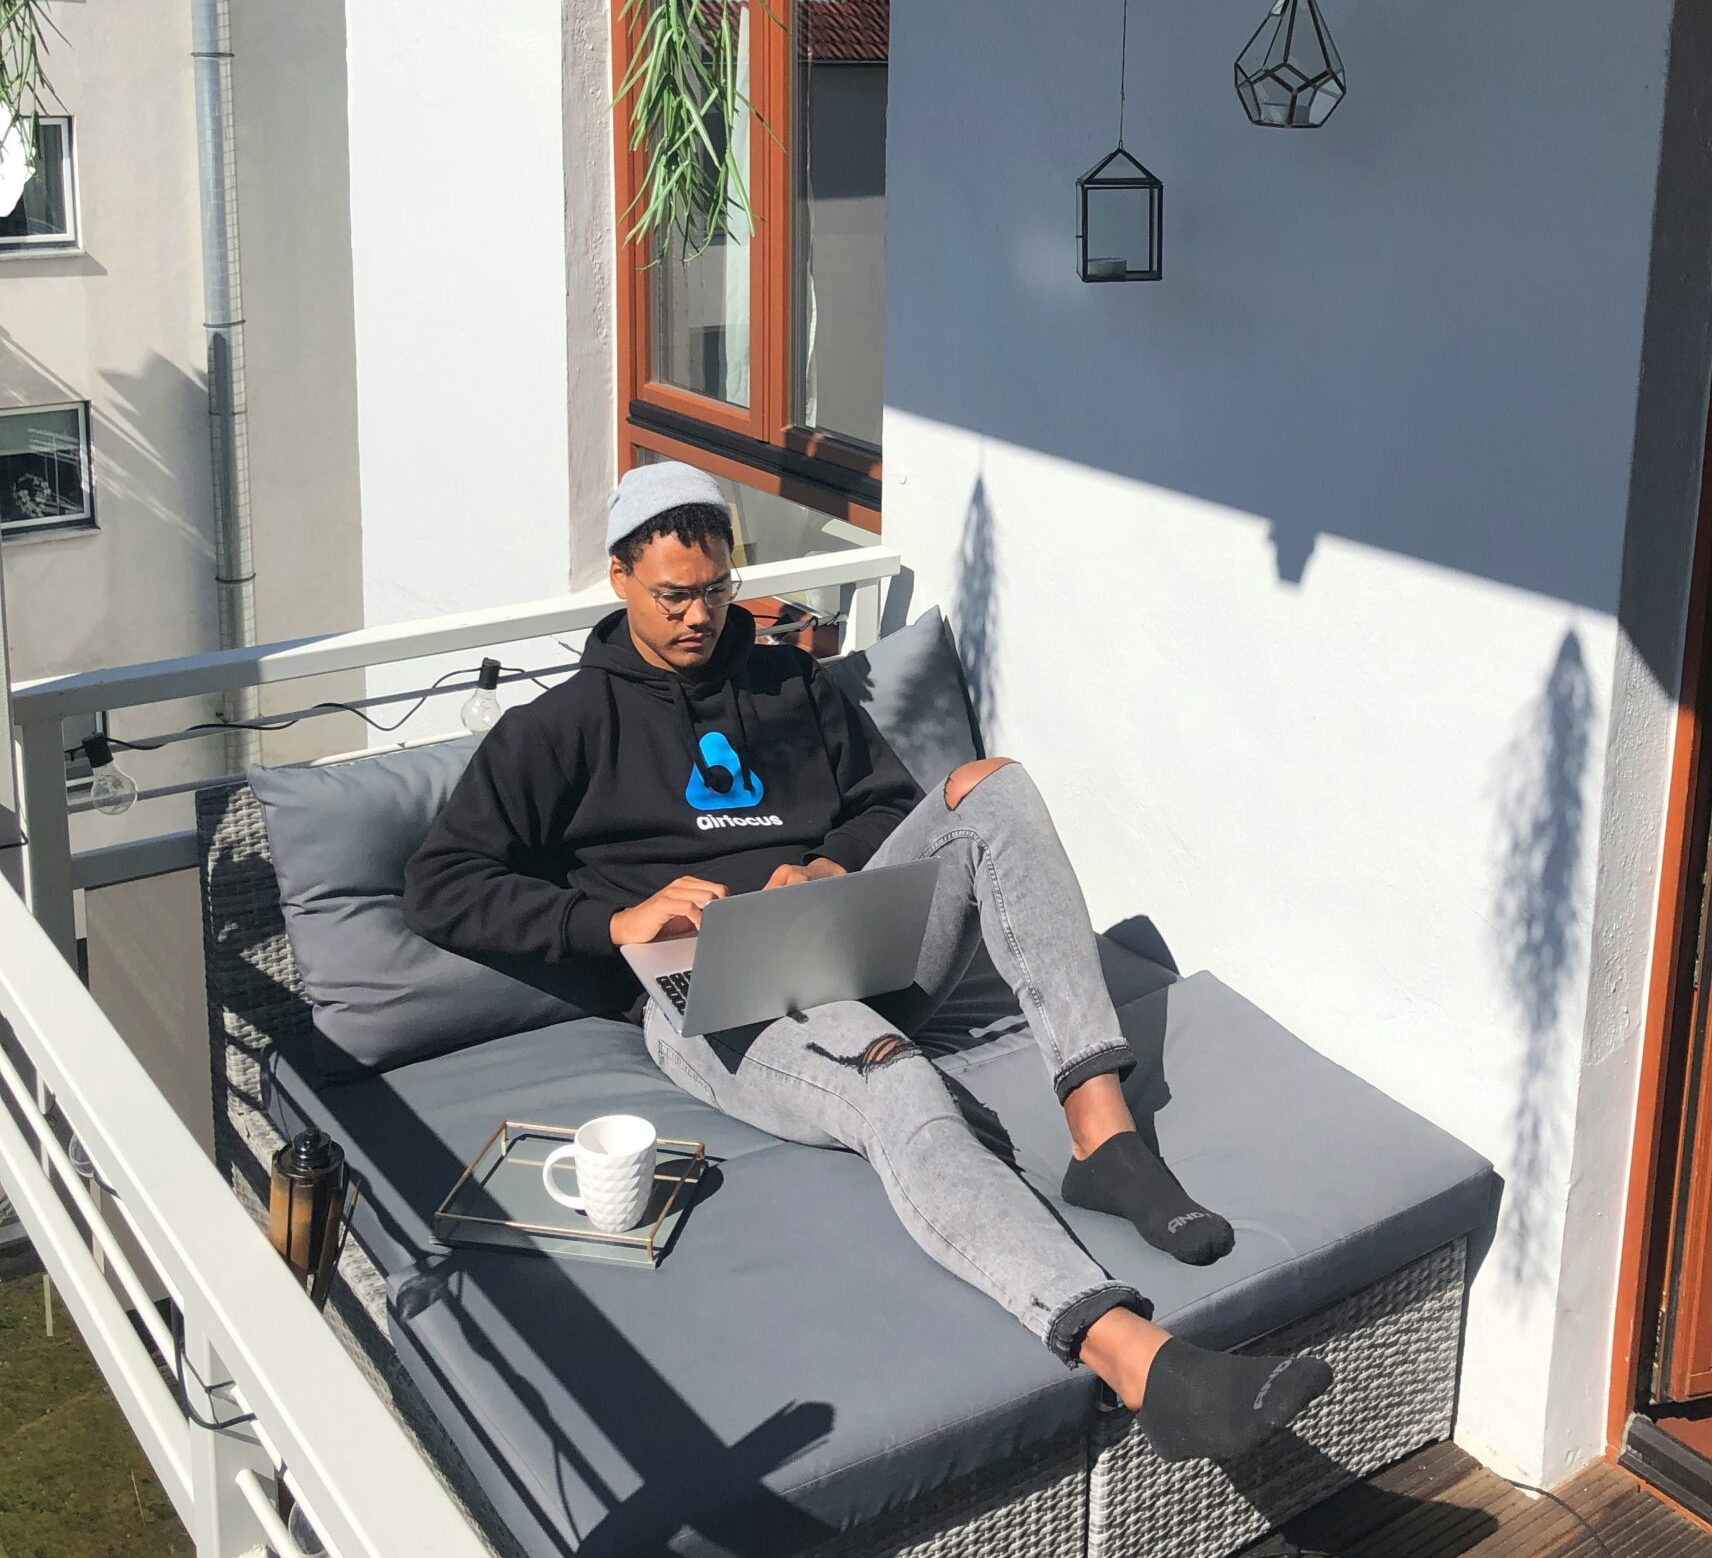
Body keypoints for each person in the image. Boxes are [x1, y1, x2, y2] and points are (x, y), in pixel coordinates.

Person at [405, 461, 1332, 1462]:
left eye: (717, 590)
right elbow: (442, 884)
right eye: (674, 595)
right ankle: (1136, 1355)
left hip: (851, 934)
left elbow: (891, 803)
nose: (699, 616)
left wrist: (827, 862)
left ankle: (1101, 1134)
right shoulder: (559, 730)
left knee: (991, 786)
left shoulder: (788, 681)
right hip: (718, 993)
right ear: (622, 577)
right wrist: (616, 919)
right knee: (897, 1086)